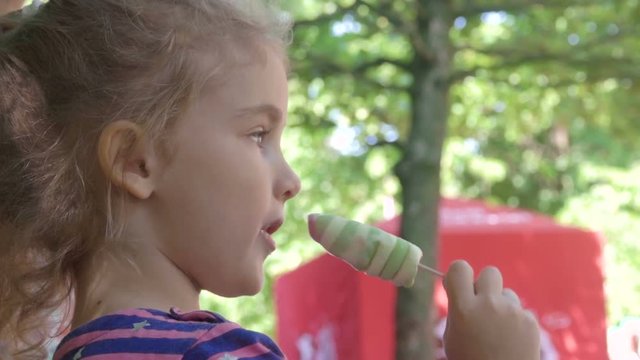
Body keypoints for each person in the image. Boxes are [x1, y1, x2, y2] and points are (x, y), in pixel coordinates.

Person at [0, 1, 539, 359]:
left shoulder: (86, 351)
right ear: (137, 162)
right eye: (259, 134)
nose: (291, 180)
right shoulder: (212, 354)